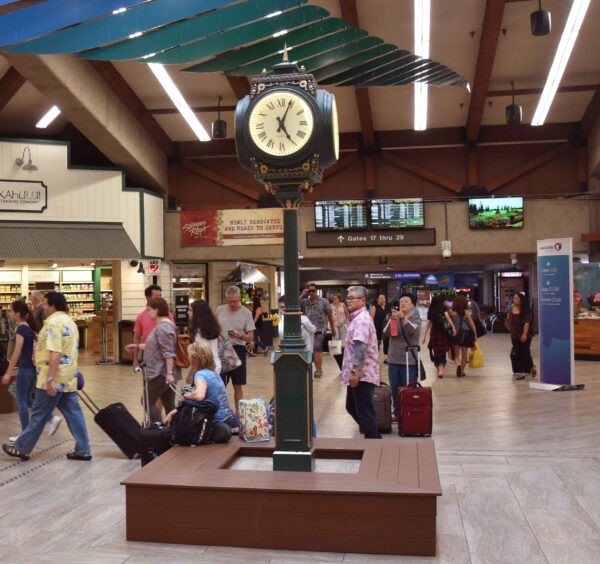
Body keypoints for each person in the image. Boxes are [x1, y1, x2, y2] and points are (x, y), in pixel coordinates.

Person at [2, 292, 91, 461]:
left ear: (52, 306)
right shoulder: (70, 322)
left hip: (52, 379)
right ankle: (83, 449)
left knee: (38, 414)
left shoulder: (53, 323)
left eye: (45, 303)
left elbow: (55, 353)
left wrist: (50, 380)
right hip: (68, 377)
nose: (42, 306)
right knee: (74, 414)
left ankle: (22, 448)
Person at [165, 340, 236, 438]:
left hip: (214, 422)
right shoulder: (213, 373)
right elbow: (189, 380)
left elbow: (199, 395)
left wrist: (186, 396)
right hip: (226, 419)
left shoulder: (200, 375)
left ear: (194, 358)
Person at [127, 297, 180, 424]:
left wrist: (169, 373)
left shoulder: (163, 328)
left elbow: (168, 352)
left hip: (160, 373)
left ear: (157, 310)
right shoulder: (162, 326)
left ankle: (159, 429)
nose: (147, 312)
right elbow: (157, 346)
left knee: (146, 401)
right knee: (169, 404)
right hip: (163, 372)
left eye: (149, 309)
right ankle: (174, 431)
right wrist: (138, 346)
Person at [342, 285, 380, 439]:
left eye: (352, 298)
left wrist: (354, 372)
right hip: (360, 375)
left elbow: (361, 348)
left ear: (362, 300)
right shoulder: (357, 318)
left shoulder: (362, 320)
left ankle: (374, 442)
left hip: (362, 376)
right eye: (348, 298)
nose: (348, 301)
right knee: (351, 407)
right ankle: (373, 435)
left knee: (364, 412)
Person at [216, 286, 255, 415]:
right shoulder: (220, 310)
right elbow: (214, 328)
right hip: (222, 349)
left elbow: (250, 337)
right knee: (220, 383)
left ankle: (239, 413)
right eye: (230, 301)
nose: (232, 304)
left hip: (238, 349)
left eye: (235, 301)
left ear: (239, 299)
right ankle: (223, 411)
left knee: (237, 384)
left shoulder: (246, 313)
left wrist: (240, 336)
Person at [383, 293, 422, 417]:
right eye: (401, 302)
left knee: (408, 389)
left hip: (409, 360)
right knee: (394, 388)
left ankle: (409, 413)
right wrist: (392, 320)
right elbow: (386, 333)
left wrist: (403, 319)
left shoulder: (415, 318)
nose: (403, 303)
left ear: (412, 305)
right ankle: (397, 412)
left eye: (406, 301)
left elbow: (413, 331)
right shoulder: (394, 317)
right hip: (394, 359)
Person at [132, 285, 172, 372]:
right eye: (157, 296)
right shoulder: (141, 316)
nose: (160, 298)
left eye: (160, 296)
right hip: (148, 354)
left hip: (164, 354)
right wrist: (135, 359)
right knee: (149, 381)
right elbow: (136, 338)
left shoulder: (168, 315)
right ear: (148, 298)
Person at [301, 283, 336, 378]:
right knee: (309, 349)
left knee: (317, 347)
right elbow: (294, 304)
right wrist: (302, 294)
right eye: (310, 291)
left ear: (316, 291)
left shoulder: (323, 301)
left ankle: (318, 369)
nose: (311, 293)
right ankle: (310, 367)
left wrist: (333, 329)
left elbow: (329, 315)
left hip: (320, 329)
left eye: (313, 290)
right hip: (308, 330)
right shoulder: (305, 302)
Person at [421, 295, 456, 379]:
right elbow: (448, 319)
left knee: (436, 352)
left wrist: (424, 335)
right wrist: (453, 328)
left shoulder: (431, 311)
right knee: (442, 352)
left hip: (434, 333)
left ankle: (438, 370)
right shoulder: (443, 308)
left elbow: (428, 324)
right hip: (443, 333)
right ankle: (441, 371)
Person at [506, 292, 535, 379]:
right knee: (516, 352)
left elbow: (527, 323)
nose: (515, 300)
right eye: (514, 298)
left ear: (521, 300)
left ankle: (528, 369)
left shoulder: (526, 309)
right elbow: (509, 320)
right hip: (514, 334)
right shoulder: (511, 308)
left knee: (525, 352)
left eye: (517, 298)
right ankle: (519, 371)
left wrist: (524, 334)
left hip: (525, 334)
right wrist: (509, 327)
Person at [189, 300, 222, 376]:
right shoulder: (210, 328)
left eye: (191, 310)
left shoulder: (200, 332)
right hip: (214, 366)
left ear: (198, 313)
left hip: (205, 369)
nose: (188, 313)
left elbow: (199, 355)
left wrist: (191, 373)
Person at [450, 294, 478, 378]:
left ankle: (458, 364)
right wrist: (475, 335)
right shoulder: (467, 313)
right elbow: (472, 325)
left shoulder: (452, 313)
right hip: (466, 334)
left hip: (456, 334)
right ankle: (461, 371)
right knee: (464, 354)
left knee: (456, 354)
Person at [330, 293, 349, 370]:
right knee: (335, 342)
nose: (335, 299)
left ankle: (344, 360)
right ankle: (339, 360)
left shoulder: (343, 305)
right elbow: (328, 315)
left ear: (339, 299)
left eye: (336, 298)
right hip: (334, 325)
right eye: (333, 298)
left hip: (343, 324)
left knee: (343, 343)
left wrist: (347, 321)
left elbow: (347, 313)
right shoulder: (330, 306)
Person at [371, 294, 391, 361]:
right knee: (377, 344)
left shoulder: (388, 307)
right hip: (377, 328)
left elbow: (391, 316)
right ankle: (375, 358)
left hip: (386, 328)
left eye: (384, 298)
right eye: (381, 298)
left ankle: (386, 359)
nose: (383, 299)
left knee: (387, 343)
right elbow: (371, 318)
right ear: (377, 300)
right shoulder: (375, 307)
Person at [251, 290, 268, 356]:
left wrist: (252, 324)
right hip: (257, 325)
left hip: (257, 326)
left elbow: (256, 317)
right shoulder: (257, 308)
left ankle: (265, 348)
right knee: (255, 338)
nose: (253, 303)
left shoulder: (258, 308)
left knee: (255, 340)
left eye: (253, 302)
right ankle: (255, 351)